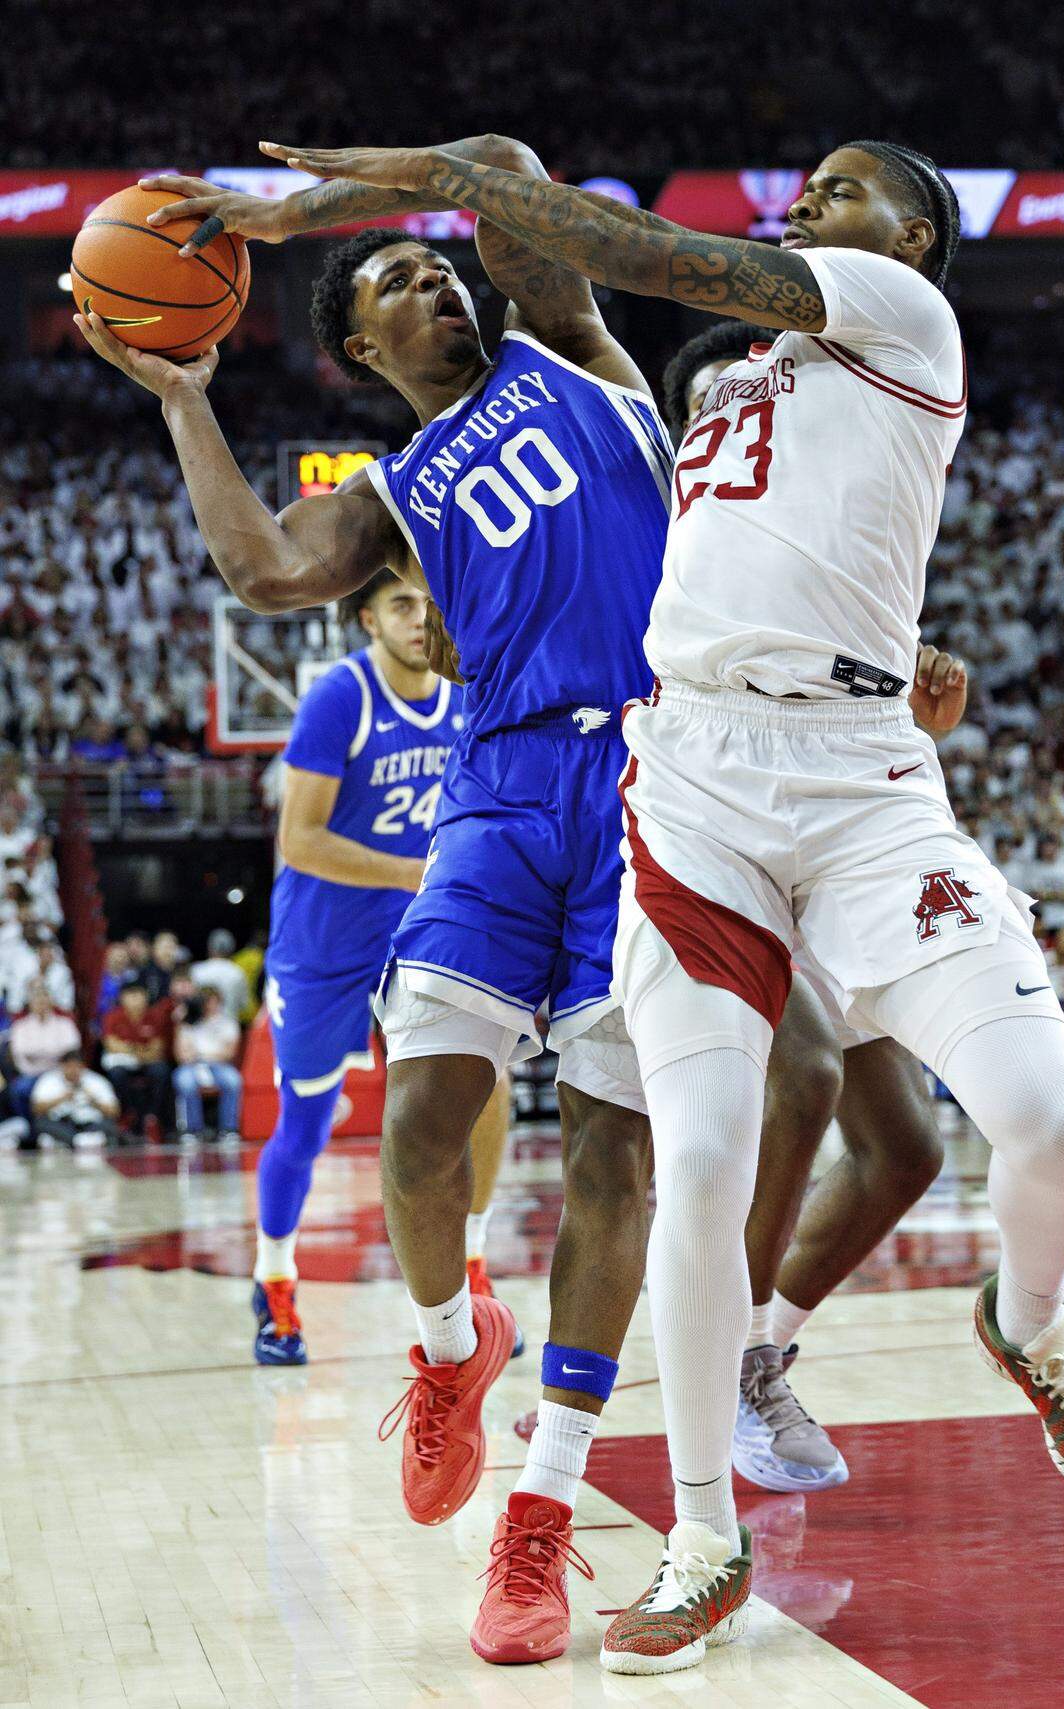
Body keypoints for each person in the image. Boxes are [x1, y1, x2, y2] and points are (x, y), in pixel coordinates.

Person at [323, 133, 1064, 1667]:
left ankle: (1031, 1322)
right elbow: (744, 540)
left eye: (846, 187)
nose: (812, 199)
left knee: (1047, 1120)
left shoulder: (902, 312)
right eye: (805, 187)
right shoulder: (722, 386)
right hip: (694, 774)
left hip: (861, 779)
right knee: (696, 1161)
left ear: (916, 236)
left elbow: (644, 259)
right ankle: (704, 1531)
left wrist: (432, 178)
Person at [79, 133, 670, 1672]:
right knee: (419, 1127)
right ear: (358, 351)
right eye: (400, 284)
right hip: (498, 786)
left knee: (615, 1150)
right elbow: (268, 571)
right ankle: (451, 1347)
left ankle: (541, 1509)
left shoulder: (571, 347)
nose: (438, 286)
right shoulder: (397, 492)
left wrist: (301, 213)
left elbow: (501, 167)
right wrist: (189, 401)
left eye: (438, 266)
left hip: (650, 779)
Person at [665, 320, 961, 1493]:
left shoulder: (837, 522)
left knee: (908, 1148)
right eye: (720, 399)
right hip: (707, 829)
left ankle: (758, 1349)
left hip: (828, 834)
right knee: (801, 1079)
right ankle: (715, 1361)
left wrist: (912, 717)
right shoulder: (677, 531)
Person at [253, 567, 514, 1367]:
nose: (418, 619)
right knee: (305, 1121)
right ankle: (274, 1276)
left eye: (427, 604)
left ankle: (473, 1267)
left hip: (420, 931)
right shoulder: (339, 697)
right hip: (325, 940)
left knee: (487, 1082)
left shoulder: (465, 693)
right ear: (366, 618)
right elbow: (299, 840)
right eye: (400, 604)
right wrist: (413, 869)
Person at [101, 972, 172, 1140]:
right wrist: (138, 1051)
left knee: (161, 1071)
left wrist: (132, 1050)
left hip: (147, 1062)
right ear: (122, 998)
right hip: (124, 1062)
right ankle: (129, 1114)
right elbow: (111, 1044)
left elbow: (157, 1049)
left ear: (146, 996)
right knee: (116, 1074)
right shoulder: (113, 1016)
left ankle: (153, 1116)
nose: (135, 999)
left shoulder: (155, 1016)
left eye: (139, 994)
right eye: (130, 995)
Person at [173, 986, 243, 1143]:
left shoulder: (228, 1023)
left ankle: (229, 1129)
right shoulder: (189, 1022)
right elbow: (182, 1055)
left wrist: (202, 1055)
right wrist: (180, 1022)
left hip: (219, 1065)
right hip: (192, 1065)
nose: (209, 1005)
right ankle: (192, 1131)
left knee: (233, 1080)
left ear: (219, 1002)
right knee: (185, 1082)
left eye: (213, 1001)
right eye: (205, 1001)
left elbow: (228, 1053)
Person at [8, 982, 82, 1118]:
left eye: (44, 999)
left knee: (77, 1091)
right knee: (18, 1090)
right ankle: (29, 1126)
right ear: (30, 1004)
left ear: (51, 1001)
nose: (41, 1003)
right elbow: (21, 1051)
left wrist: (38, 1052)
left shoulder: (65, 1024)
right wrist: (54, 1052)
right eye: (37, 1000)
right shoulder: (20, 1026)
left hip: (60, 1074)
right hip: (32, 1074)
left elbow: (71, 1050)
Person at [30, 1049, 119, 1148]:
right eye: (69, 1067)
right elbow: (36, 1109)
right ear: (62, 1066)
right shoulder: (48, 1080)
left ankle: (73, 1142)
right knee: (41, 1123)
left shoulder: (96, 1081)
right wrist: (62, 1098)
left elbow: (114, 1111)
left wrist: (93, 1101)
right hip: (62, 1123)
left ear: (83, 1066)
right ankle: (79, 1141)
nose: (73, 1071)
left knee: (109, 1124)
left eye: (77, 1066)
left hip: (91, 1124)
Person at [190, 929, 251, 1022]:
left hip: (200, 1026)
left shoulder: (196, 970)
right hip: (229, 1026)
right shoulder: (238, 972)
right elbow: (244, 1005)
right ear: (231, 950)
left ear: (210, 948)